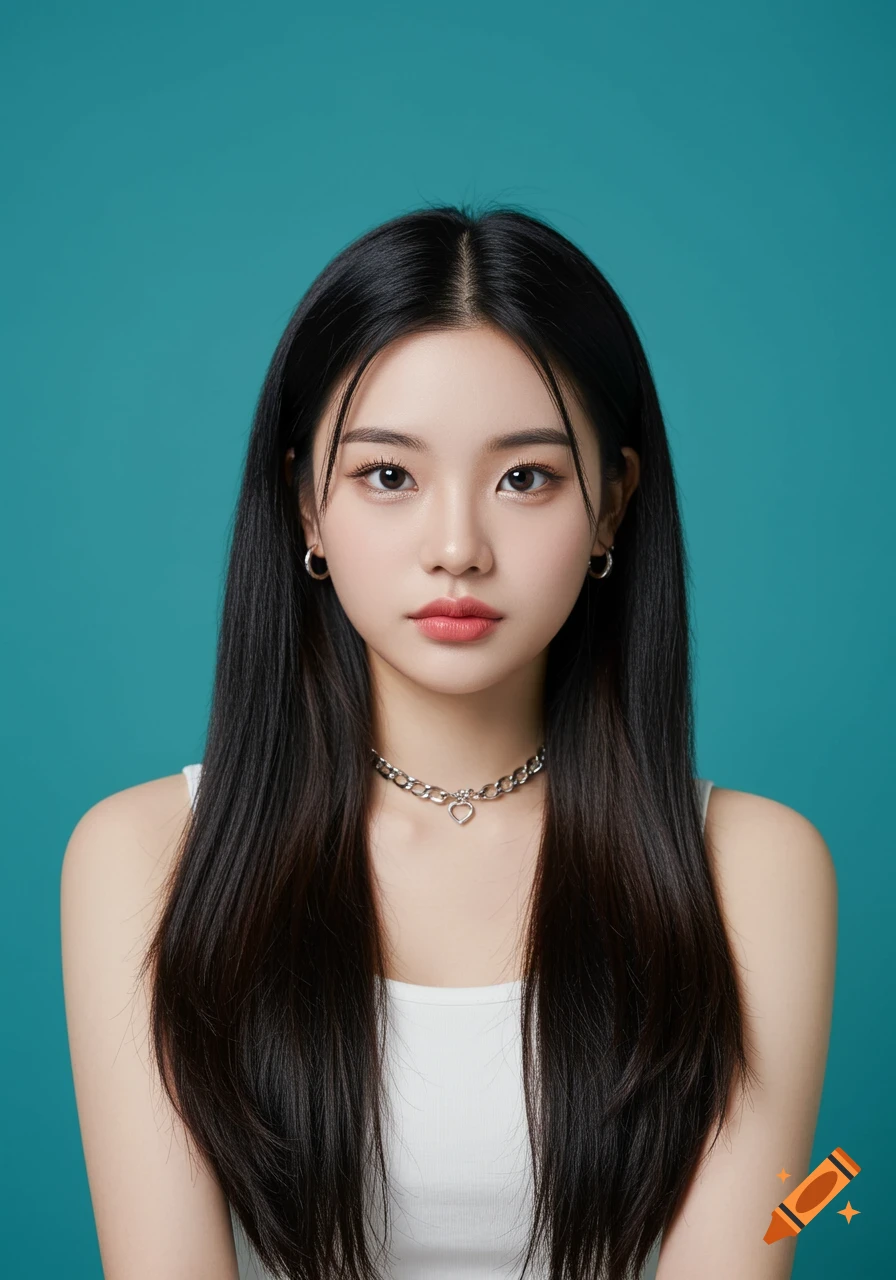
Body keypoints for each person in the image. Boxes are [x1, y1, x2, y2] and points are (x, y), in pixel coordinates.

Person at [60, 204, 837, 1280]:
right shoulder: (145, 854)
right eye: (388, 474)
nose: (458, 547)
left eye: (526, 476)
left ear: (612, 503)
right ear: (305, 507)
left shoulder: (750, 866)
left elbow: (744, 1252)